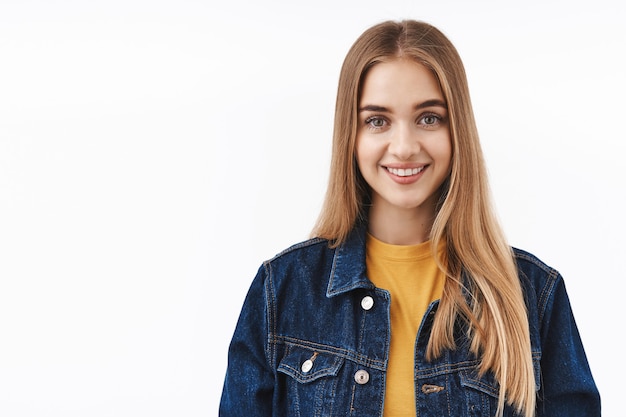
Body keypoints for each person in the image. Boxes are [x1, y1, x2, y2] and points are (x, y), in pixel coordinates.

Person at [219, 19, 600, 417]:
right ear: (351, 135)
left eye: (428, 118)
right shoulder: (281, 292)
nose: (403, 147)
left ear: (458, 131)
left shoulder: (533, 297)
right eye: (377, 121)